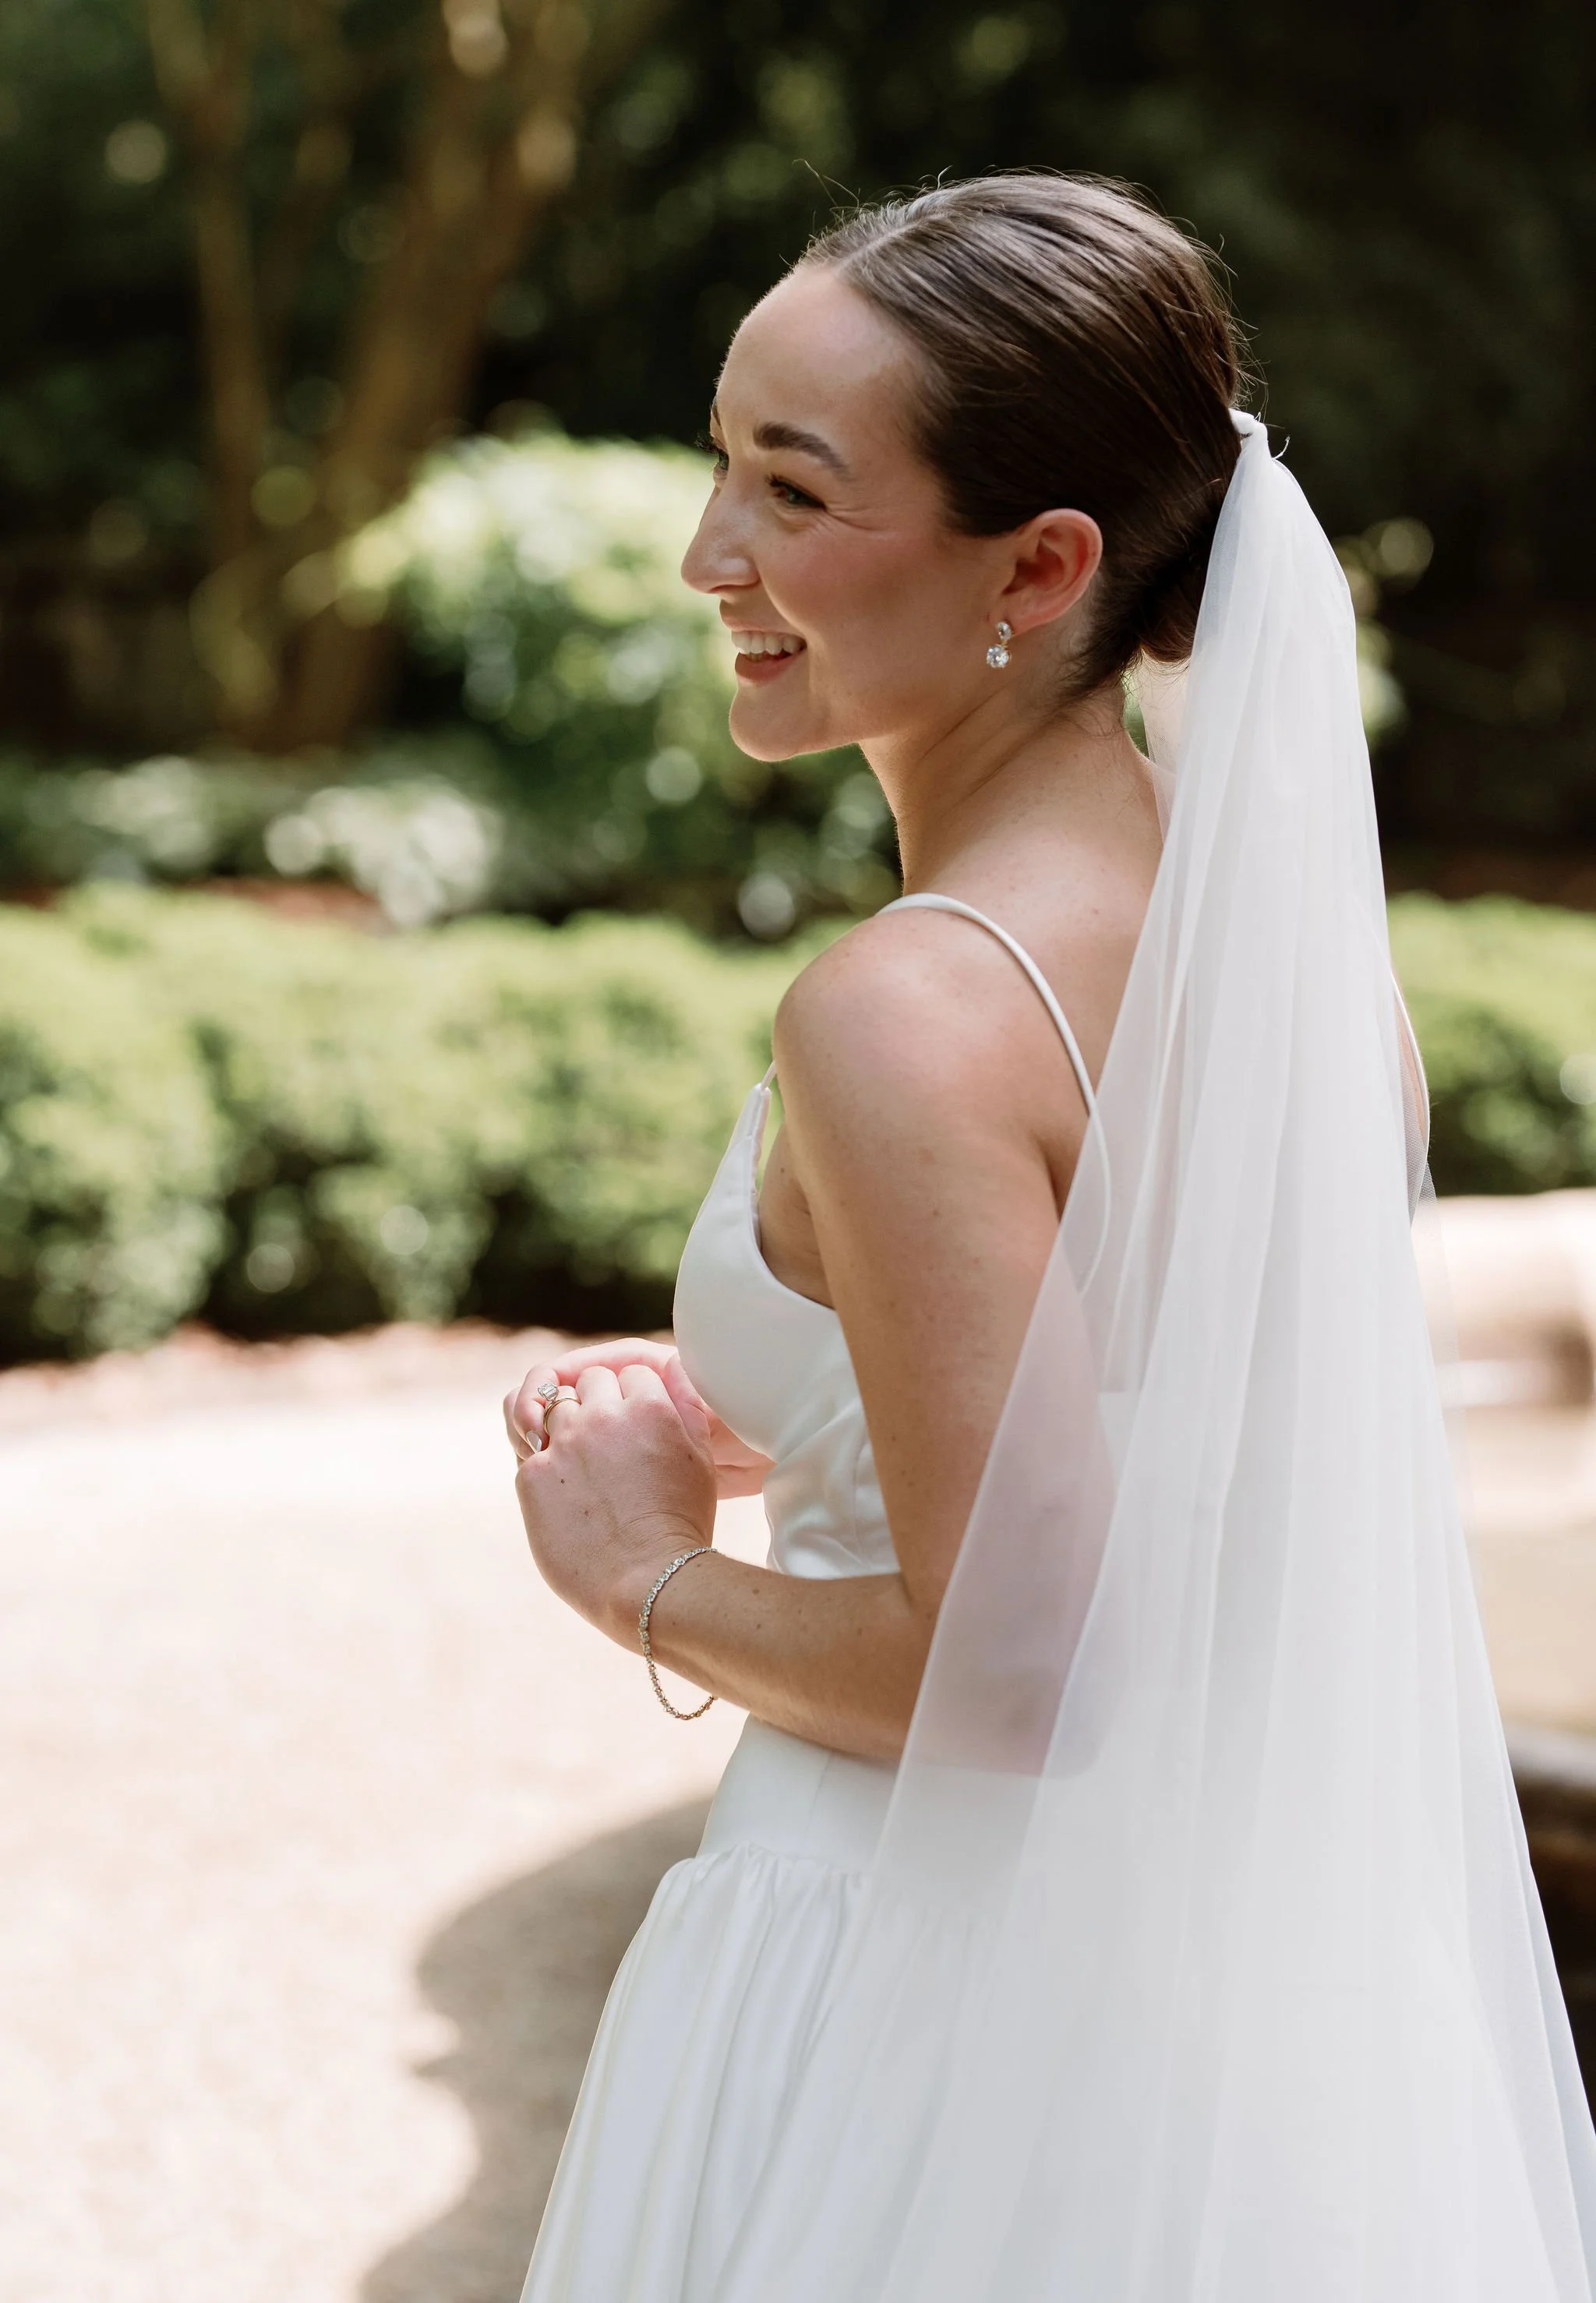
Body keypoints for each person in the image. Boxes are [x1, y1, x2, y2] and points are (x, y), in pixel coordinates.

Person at [503, 175, 1596, 2302]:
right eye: (722, 465)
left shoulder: (912, 1005)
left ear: (1047, 563)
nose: (712, 555)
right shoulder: (1267, 965)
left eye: (794, 493)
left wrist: (635, 1570)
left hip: (910, 1994)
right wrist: (825, 1434)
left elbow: (1018, 1671)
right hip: (1221, 2014)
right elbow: (1174, 1480)